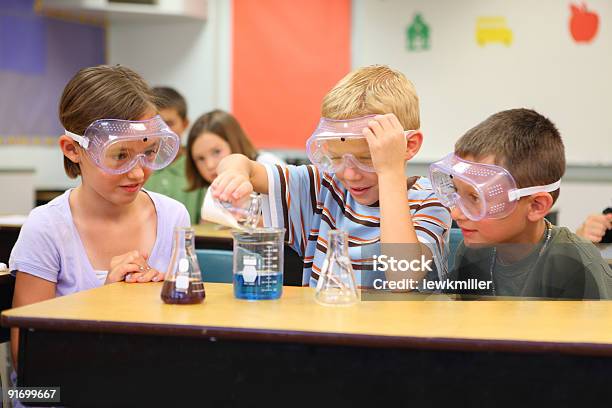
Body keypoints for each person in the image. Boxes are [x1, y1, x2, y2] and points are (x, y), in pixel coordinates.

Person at [9, 65, 190, 368]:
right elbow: (28, 363)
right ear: (72, 150)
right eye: (120, 155)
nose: (137, 172)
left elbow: (184, 341)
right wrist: (105, 302)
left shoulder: (173, 217)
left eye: (149, 152)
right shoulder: (47, 228)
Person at [210, 65, 451, 287]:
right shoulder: (321, 188)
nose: (349, 174)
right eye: (336, 158)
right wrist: (233, 173)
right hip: (324, 330)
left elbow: (403, 278)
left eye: (367, 158)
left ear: (409, 146)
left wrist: (389, 172)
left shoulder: (431, 200)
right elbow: (243, 166)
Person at [433, 108, 612, 299]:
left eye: (476, 198)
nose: (456, 214)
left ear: (536, 206)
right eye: (457, 192)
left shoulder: (575, 266)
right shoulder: (471, 252)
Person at [185, 109, 284, 222]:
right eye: (200, 159)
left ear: (234, 142)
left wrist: (242, 218)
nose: (210, 165)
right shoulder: (210, 188)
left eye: (216, 152)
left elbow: (290, 220)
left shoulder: (266, 163)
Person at [144, 86, 204, 224]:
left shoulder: (198, 166)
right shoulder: (138, 166)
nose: (162, 131)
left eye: (169, 123)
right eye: (155, 124)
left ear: (185, 124)